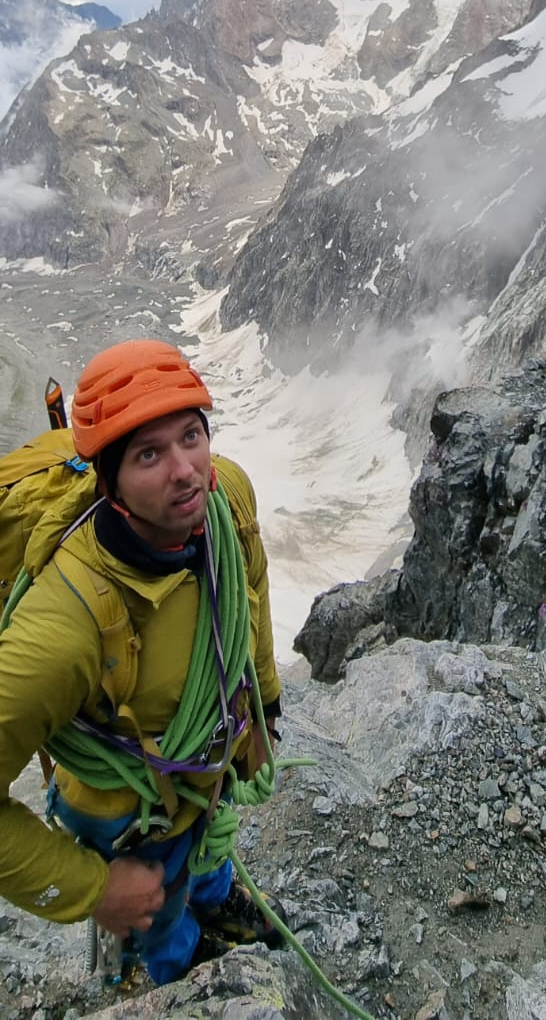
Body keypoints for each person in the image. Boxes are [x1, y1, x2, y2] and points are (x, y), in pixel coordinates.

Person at [0, 339, 283, 984]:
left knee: (206, 848)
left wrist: (264, 708)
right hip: (126, 812)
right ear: (110, 482)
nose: (186, 471)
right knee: (158, 913)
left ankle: (215, 899)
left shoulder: (226, 495)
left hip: (206, 763)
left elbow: (253, 591)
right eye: (149, 453)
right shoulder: (66, 623)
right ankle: (175, 975)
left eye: (192, 435)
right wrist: (96, 888)